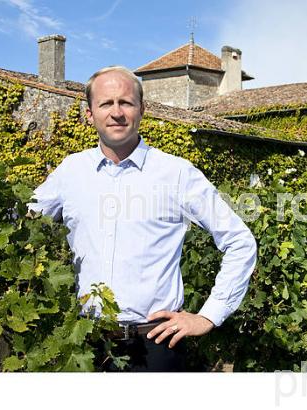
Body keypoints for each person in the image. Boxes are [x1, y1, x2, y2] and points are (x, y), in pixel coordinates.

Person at [30, 66, 257, 371]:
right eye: (106, 104)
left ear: (142, 110)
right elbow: (22, 221)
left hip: (156, 348)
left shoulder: (176, 173)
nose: (117, 112)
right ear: (89, 114)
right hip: (84, 346)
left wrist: (208, 315)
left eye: (125, 102)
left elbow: (240, 241)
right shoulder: (70, 172)